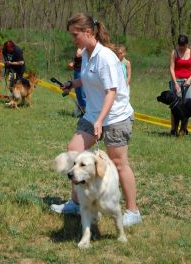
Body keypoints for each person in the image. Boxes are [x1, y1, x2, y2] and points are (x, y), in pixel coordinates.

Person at [51, 13, 142, 227]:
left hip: (115, 117)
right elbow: (88, 78)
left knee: (119, 164)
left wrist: (100, 121)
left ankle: (132, 211)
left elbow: (111, 91)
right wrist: (72, 85)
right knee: (74, 150)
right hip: (93, 115)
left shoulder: (106, 57)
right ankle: (75, 202)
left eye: (76, 35)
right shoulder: (87, 54)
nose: (73, 39)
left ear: (88, 33)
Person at [169, 34, 191, 134]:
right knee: (174, 106)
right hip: (176, 81)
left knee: (187, 106)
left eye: (183, 46)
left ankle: (183, 128)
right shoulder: (174, 52)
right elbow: (171, 68)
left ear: (187, 44)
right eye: (180, 46)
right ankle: (173, 128)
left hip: (187, 82)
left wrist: (189, 80)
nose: (182, 48)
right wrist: (175, 83)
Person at [67, 48, 86, 116]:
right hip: (77, 71)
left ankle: (85, 109)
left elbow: (79, 55)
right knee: (78, 92)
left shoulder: (87, 48)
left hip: (82, 72)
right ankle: (81, 108)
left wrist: (80, 52)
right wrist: (73, 64)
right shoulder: (80, 47)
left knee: (82, 92)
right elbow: (78, 60)